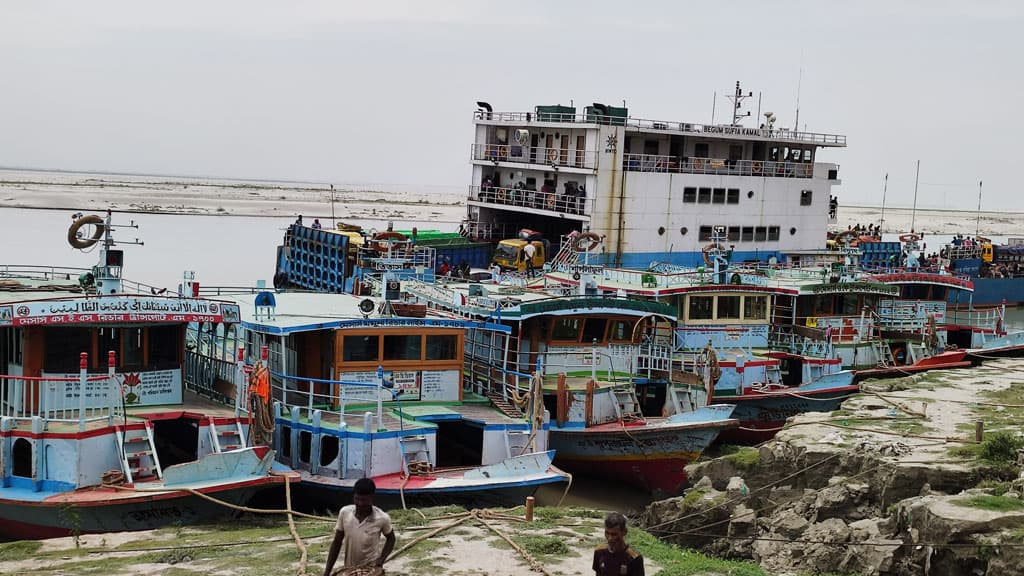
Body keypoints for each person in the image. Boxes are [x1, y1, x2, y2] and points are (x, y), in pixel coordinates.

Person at [323, 478, 396, 576]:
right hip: (349, 569)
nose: (360, 504)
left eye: (364, 500)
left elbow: (391, 539)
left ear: (372, 498)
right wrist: (327, 572)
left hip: (371, 569)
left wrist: (381, 560)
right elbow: (337, 542)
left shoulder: (382, 518)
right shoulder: (345, 513)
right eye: (357, 499)